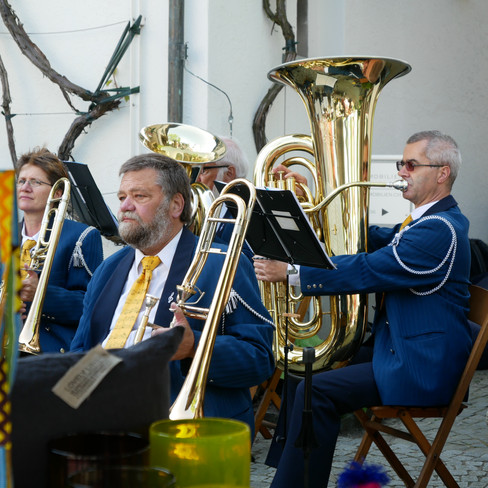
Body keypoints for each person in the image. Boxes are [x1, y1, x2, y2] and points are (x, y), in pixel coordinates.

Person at [253, 130, 473, 488]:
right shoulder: (427, 222)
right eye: (402, 163)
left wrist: (293, 273)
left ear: (442, 173)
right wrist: (312, 205)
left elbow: (370, 268)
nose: (401, 171)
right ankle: (290, 472)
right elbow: (364, 238)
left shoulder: (440, 230)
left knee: (316, 391)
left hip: (421, 367)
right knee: (305, 369)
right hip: (402, 347)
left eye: (411, 164)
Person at [70, 153, 275, 433]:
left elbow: (259, 359)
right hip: (105, 420)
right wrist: (68, 402)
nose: (125, 207)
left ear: (176, 204)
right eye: (122, 198)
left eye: (139, 196)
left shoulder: (221, 263)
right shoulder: (108, 268)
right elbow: (81, 350)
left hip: (181, 426)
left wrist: (194, 348)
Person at [16, 147, 103, 353]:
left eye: (35, 182)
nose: (25, 187)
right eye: (21, 181)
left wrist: (41, 294)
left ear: (57, 193)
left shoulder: (82, 236)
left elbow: (91, 306)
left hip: (47, 353)